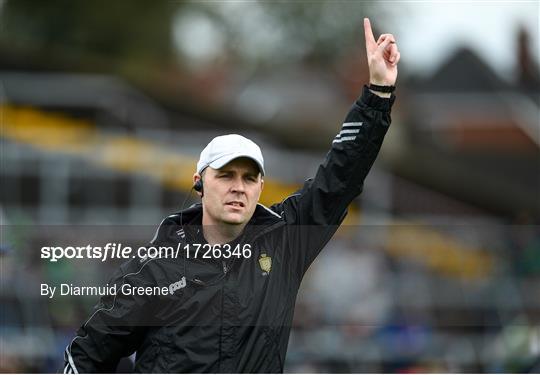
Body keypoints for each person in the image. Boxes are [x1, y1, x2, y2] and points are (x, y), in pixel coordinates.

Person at [63, 18, 400, 373]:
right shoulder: (154, 270)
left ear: (260, 187)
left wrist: (377, 94)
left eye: (249, 177)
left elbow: (341, 177)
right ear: (199, 182)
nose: (238, 186)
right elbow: (87, 355)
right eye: (225, 175)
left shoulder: (284, 241)